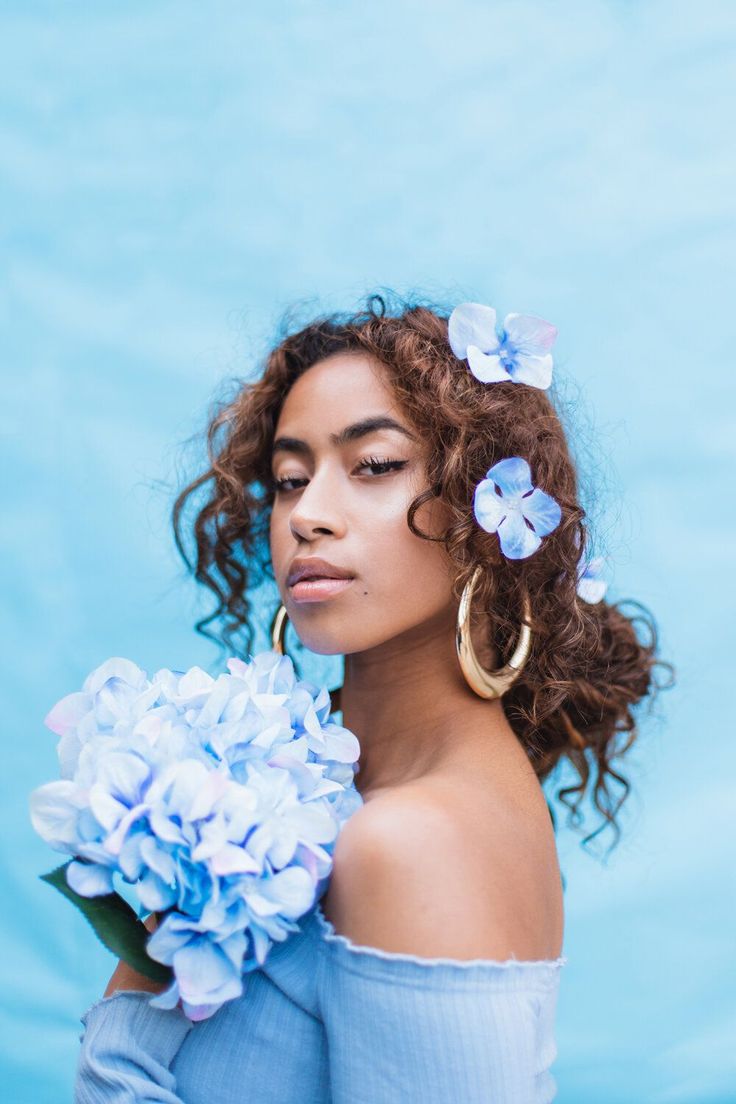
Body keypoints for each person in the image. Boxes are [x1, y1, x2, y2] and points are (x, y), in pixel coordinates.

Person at [74, 293, 671, 1102]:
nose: (308, 516)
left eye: (376, 466)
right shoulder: (307, 796)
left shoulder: (410, 843)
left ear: (484, 510)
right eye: (289, 478)